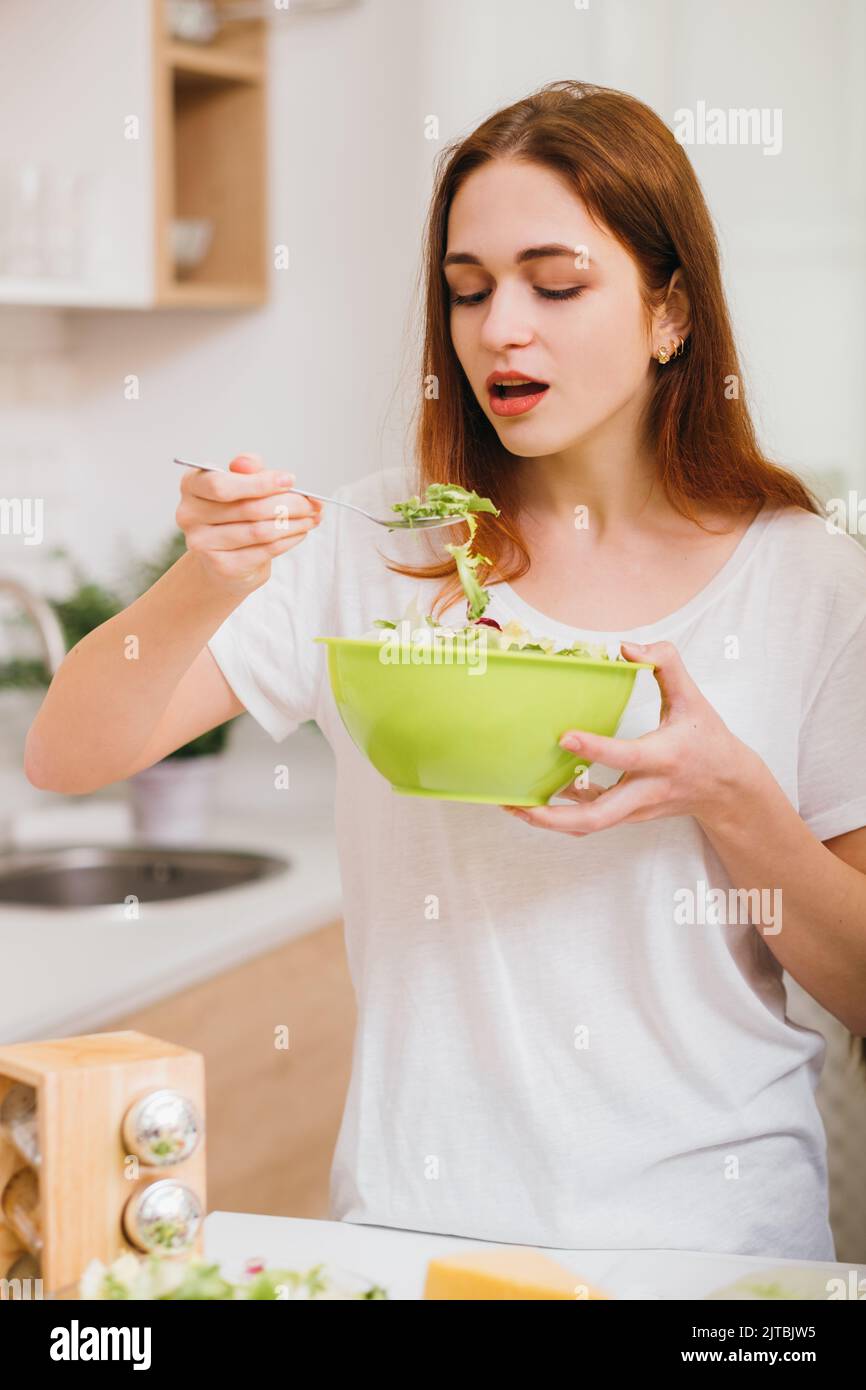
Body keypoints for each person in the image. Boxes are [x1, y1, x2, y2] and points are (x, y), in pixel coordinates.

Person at [26, 81, 866, 1261]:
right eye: (466, 291)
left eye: (553, 283)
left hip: (715, 1252)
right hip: (410, 1237)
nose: (497, 329)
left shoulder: (808, 585)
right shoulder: (378, 543)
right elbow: (67, 751)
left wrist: (728, 795)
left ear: (669, 309)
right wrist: (204, 577)